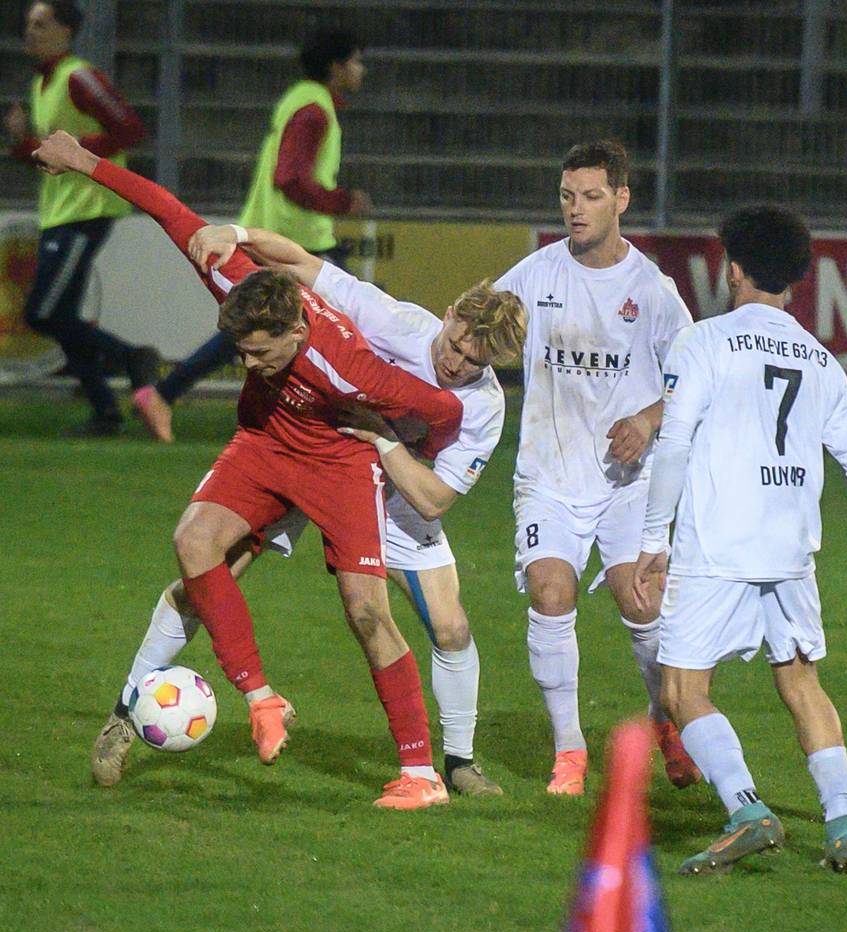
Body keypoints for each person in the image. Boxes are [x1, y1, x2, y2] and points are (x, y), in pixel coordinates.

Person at [34, 129, 463, 810]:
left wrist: (408, 455)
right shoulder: (238, 280)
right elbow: (169, 210)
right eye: (241, 353)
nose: (249, 364)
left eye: (261, 355)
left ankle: (421, 774)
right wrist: (83, 161)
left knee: (366, 612)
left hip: (338, 462)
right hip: (265, 444)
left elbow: (441, 409)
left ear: (297, 333)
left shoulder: (351, 368)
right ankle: (220, 703)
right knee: (194, 556)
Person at [93, 222, 526, 797]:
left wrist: (383, 438)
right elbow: (299, 262)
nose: (456, 363)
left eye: (474, 362)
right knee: (203, 577)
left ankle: (458, 763)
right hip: (320, 453)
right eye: (455, 345)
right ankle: (127, 712)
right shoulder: (399, 323)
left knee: (447, 627)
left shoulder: (484, 407)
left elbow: (433, 498)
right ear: (448, 317)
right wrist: (237, 231)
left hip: (398, 493)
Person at [632, 205, 847, 875]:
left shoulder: (705, 343)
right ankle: (843, 825)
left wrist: (655, 538)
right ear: (797, 279)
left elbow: (675, 442)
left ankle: (747, 810)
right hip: (792, 550)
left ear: (733, 268)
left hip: (718, 547)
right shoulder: (821, 360)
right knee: (801, 681)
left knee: (683, 691)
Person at [494, 140, 701, 795]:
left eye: (589, 197)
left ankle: (667, 719)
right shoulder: (534, 275)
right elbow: (474, 329)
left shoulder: (653, 292)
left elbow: (694, 382)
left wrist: (646, 420)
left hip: (626, 486)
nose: (575, 210)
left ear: (621, 199)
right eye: (566, 197)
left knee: (642, 604)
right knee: (552, 594)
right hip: (549, 478)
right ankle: (570, 751)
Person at [134, 28, 372, 445]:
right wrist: (342, 201)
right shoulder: (314, 110)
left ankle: (167, 394)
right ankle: (358, 423)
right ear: (337, 67)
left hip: (283, 234)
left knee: (259, 329)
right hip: (291, 241)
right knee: (352, 322)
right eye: (355, 61)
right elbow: (290, 177)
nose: (360, 70)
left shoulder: (302, 100)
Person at [4, 0, 158, 436]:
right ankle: (106, 410)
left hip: (88, 209)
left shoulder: (79, 77)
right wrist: (23, 144)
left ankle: (131, 359)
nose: (30, 32)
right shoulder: (44, 84)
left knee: (43, 313)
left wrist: (74, 152)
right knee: (59, 314)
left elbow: (129, 129)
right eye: (28, 25)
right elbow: (50, 155)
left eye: (41, 24)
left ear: (67, 31)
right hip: (62, 211)